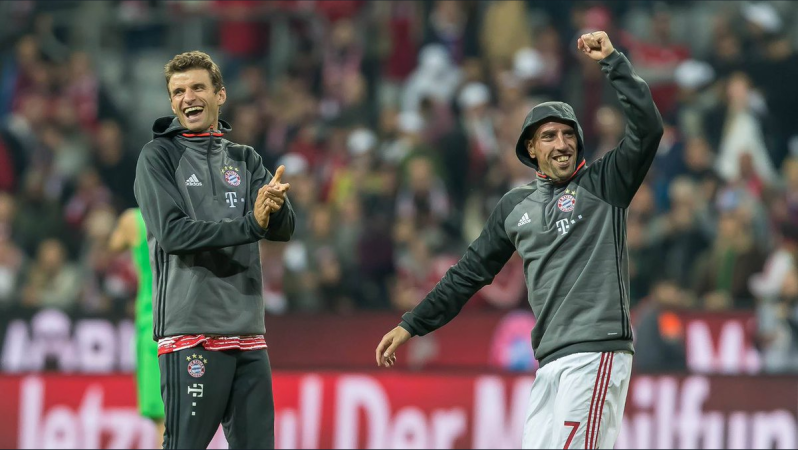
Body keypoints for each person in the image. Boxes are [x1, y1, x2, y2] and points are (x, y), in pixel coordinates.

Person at [376, 31, 663, 449]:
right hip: (549, 363)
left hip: (596, 353)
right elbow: (467, 274)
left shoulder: (605, 183)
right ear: (531, 148)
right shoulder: (515, 206)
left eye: (568, 134)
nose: (561, 143)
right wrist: (411, 324)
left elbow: (648, 129)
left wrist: (612, 63)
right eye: (549, 136)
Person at [133, 50, 294, 449]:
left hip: (248, 333)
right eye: (179, 91)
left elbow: (284, 229)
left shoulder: (245, 159)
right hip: (191, 332)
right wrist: (250, 224)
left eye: (198, 87)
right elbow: (173, 235)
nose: (188, 97)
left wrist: (273, 207)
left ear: (219, 95)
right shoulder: (158, 157)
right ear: (171, 102)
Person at [108, 208, 165, 448]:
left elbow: (114, 245)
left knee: (161, 419)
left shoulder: (133, 219)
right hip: (189, 320)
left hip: (151, 322)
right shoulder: (190, 214)